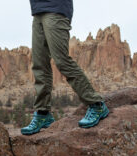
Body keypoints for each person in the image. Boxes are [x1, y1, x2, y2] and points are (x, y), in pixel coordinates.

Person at [21, 0, 109, 135]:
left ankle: (96, 104)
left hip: (56, 9)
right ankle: (42, 113)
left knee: (62, 60)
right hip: (37, 11)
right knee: (39, 64)